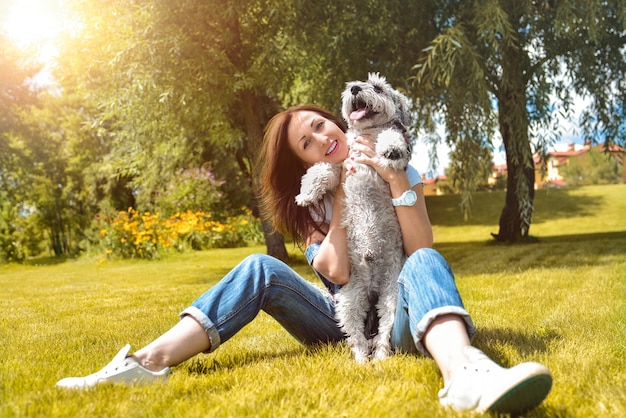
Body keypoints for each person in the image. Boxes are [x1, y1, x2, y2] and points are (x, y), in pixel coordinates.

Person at [56, 104, 552, 414]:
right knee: (258, 268)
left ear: (338, 120)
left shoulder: (401, 167)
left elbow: (421, 249)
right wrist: (342, 199)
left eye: (320, 126)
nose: (321, 139)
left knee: (423, 265)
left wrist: (394, 179)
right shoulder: (314, 203)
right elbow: (335, 272)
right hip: (344, 320)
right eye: (307, 144)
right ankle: (148, 362)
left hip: (401, 315)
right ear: (306, 163)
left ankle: (465, 372)